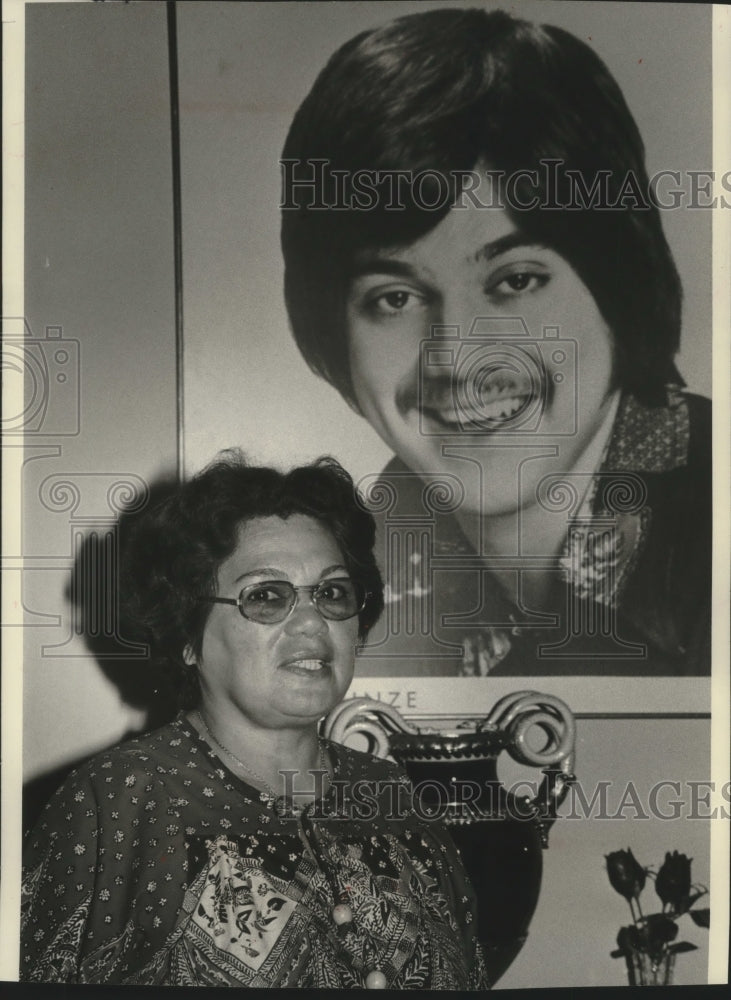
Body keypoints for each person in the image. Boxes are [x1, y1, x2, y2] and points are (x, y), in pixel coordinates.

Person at [280, 6, 711, 677]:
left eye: (514, 280)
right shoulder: (366, 555)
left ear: (618, 281)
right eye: (393, 298)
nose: (455, 357)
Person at [20, 454, 488, 988]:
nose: (313, 621)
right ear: (187, 637)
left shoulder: (389, 793)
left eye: (333, 593)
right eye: (266, 597)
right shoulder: (120, 802)